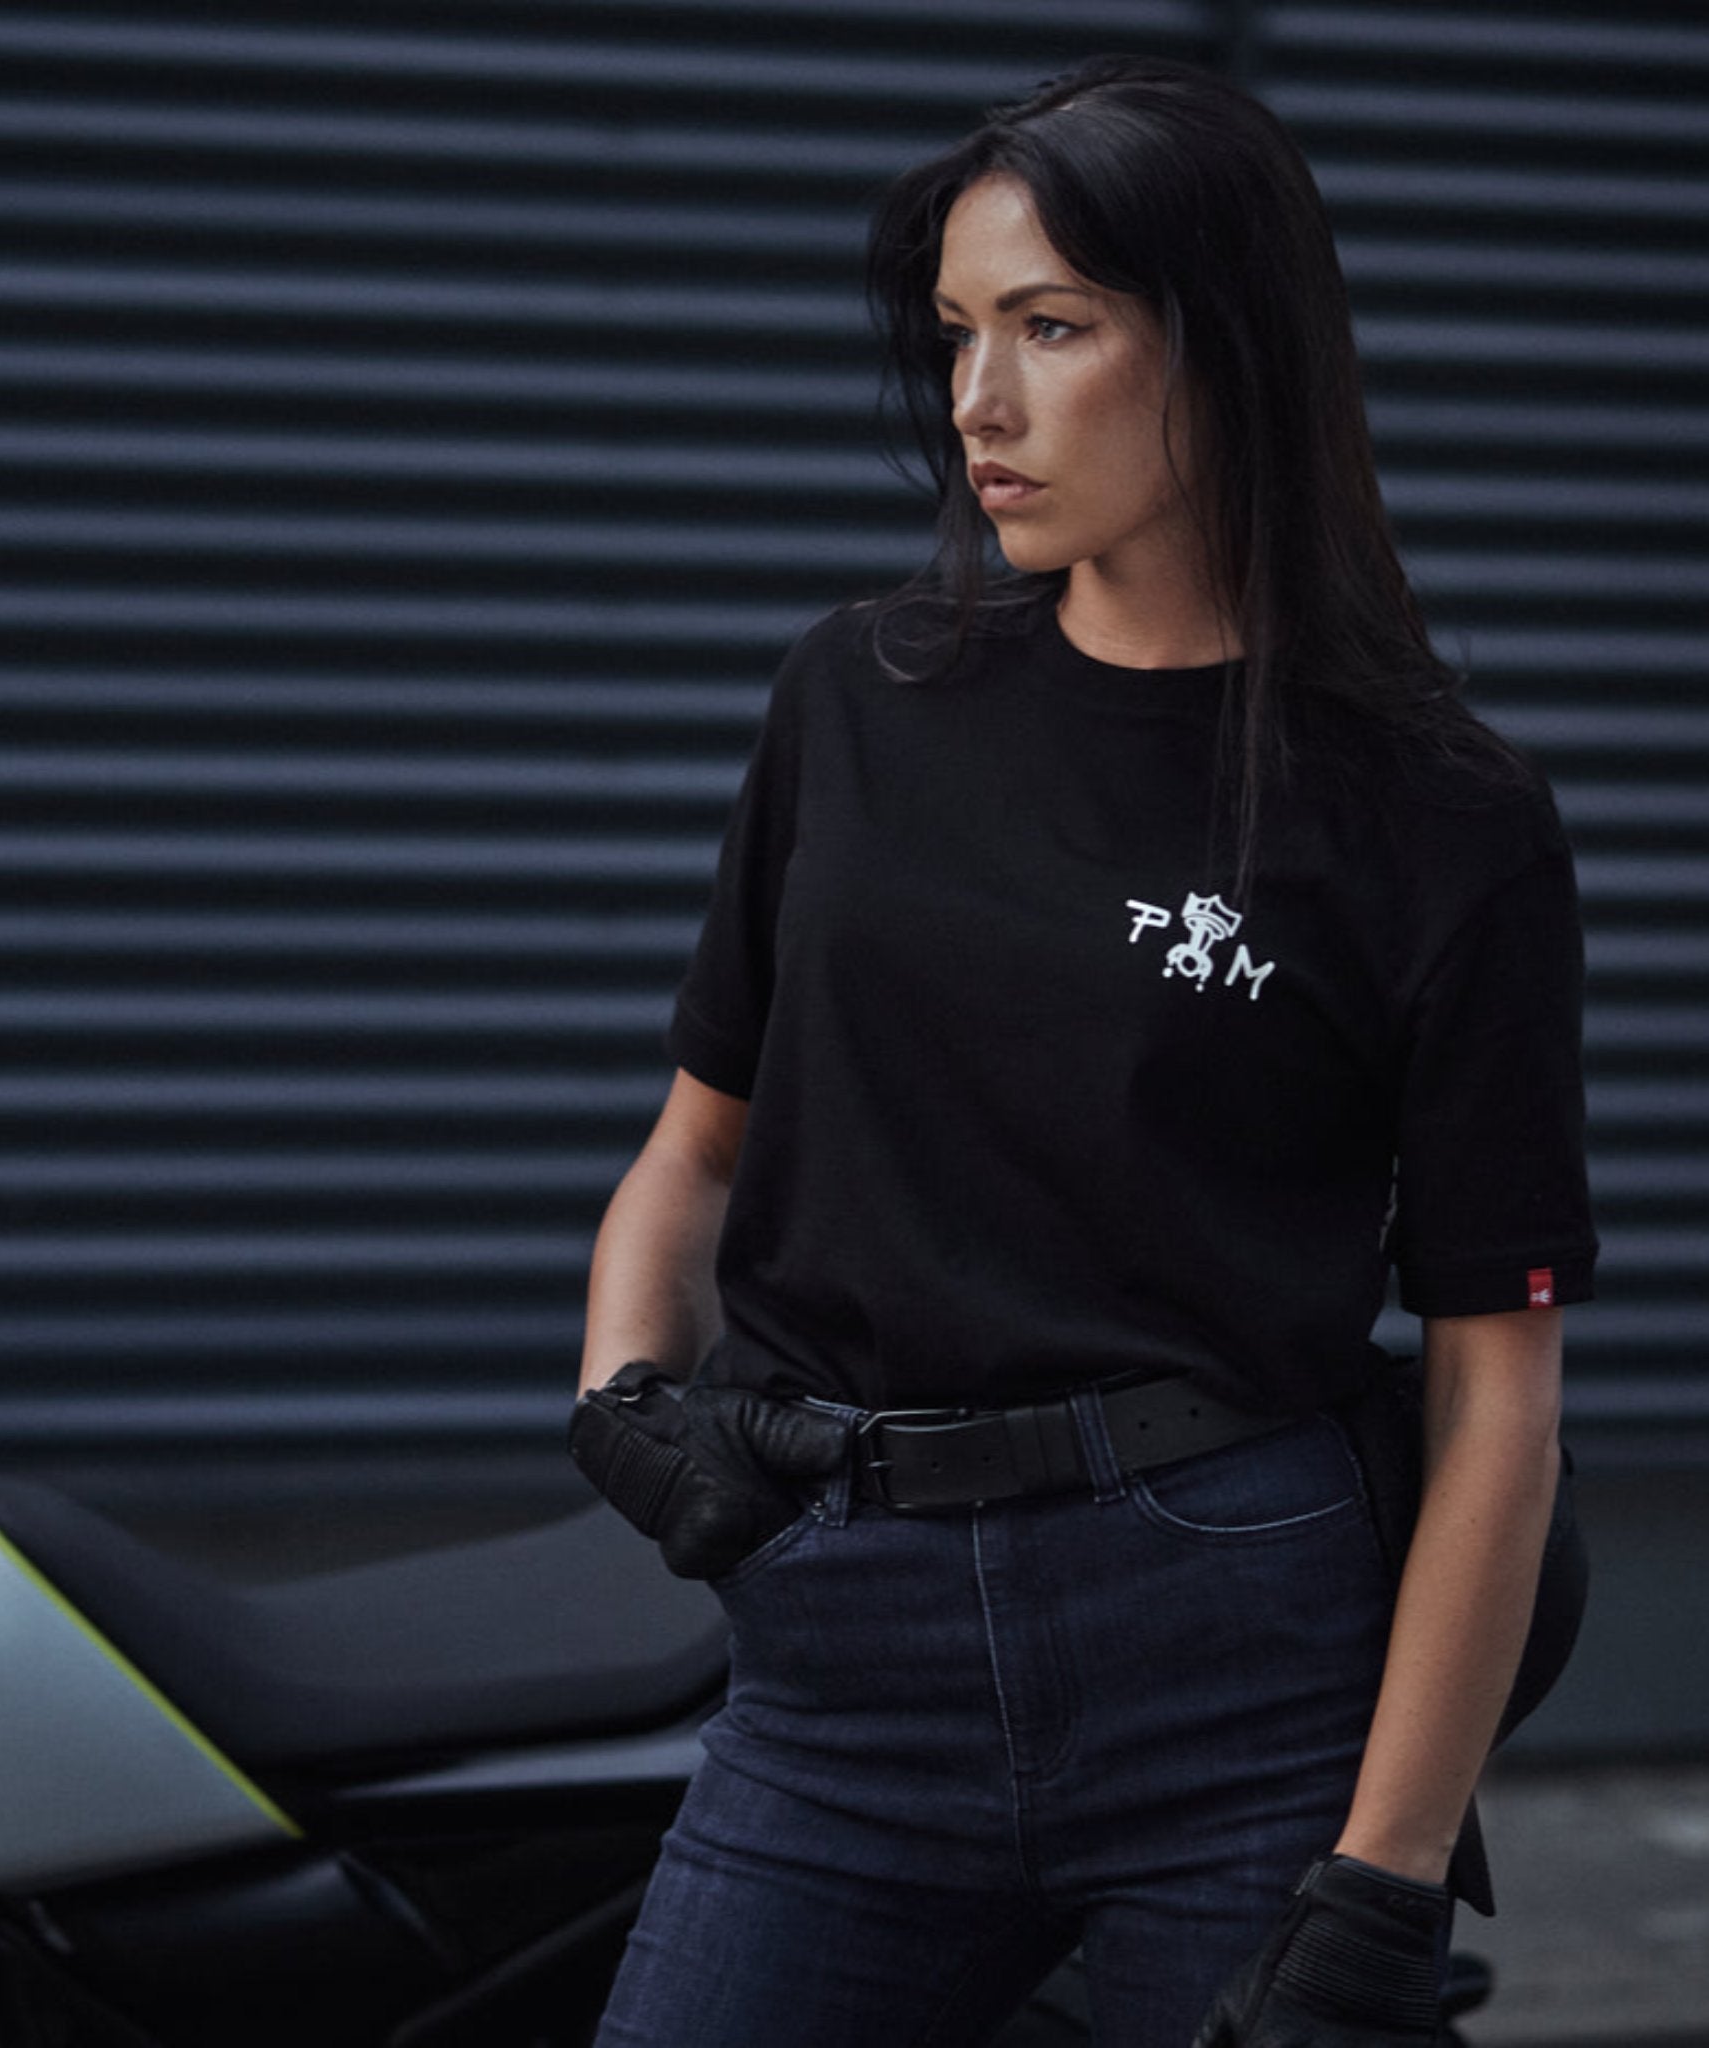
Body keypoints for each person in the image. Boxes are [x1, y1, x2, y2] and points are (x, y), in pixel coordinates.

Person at [570, 53, 1596, 2048]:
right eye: (959, 333)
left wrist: (1380, 1884)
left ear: (1232, 349)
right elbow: (694, 1154)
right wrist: (624, 1401)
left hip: (1229, 1656)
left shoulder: (1438, 818)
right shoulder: (857, 704)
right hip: (835, 1675)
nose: (979, 402)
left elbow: (1500, 1407)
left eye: (1053, 327)